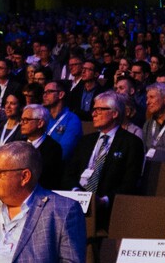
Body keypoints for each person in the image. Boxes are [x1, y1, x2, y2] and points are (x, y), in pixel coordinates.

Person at [62, 91, 145, 225]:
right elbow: (69, 174)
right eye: (93, 110)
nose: (93, 114)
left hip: (110, 210)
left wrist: (104, 200)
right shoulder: (85, 141)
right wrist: (77, 193)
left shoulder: (131, 142)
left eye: (99, 110)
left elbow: (130, 182)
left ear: (114, 113)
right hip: (76, 203)